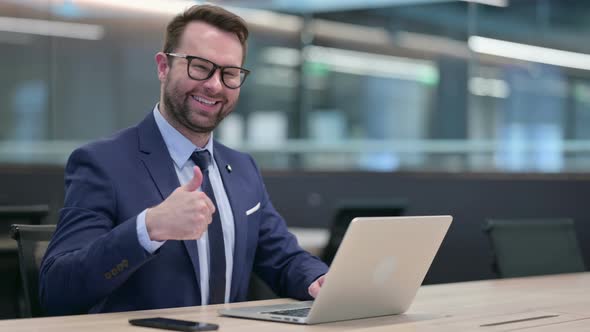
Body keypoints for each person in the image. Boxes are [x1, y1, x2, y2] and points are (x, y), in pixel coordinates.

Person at [39, 4, 328, 315]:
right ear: (163, 67)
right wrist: (147, 228)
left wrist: (318, 279)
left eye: (229, 73)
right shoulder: (102, 163)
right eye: (200, 67)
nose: (215, 85)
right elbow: (57, 289)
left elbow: (282, 258)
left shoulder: (242, 168)